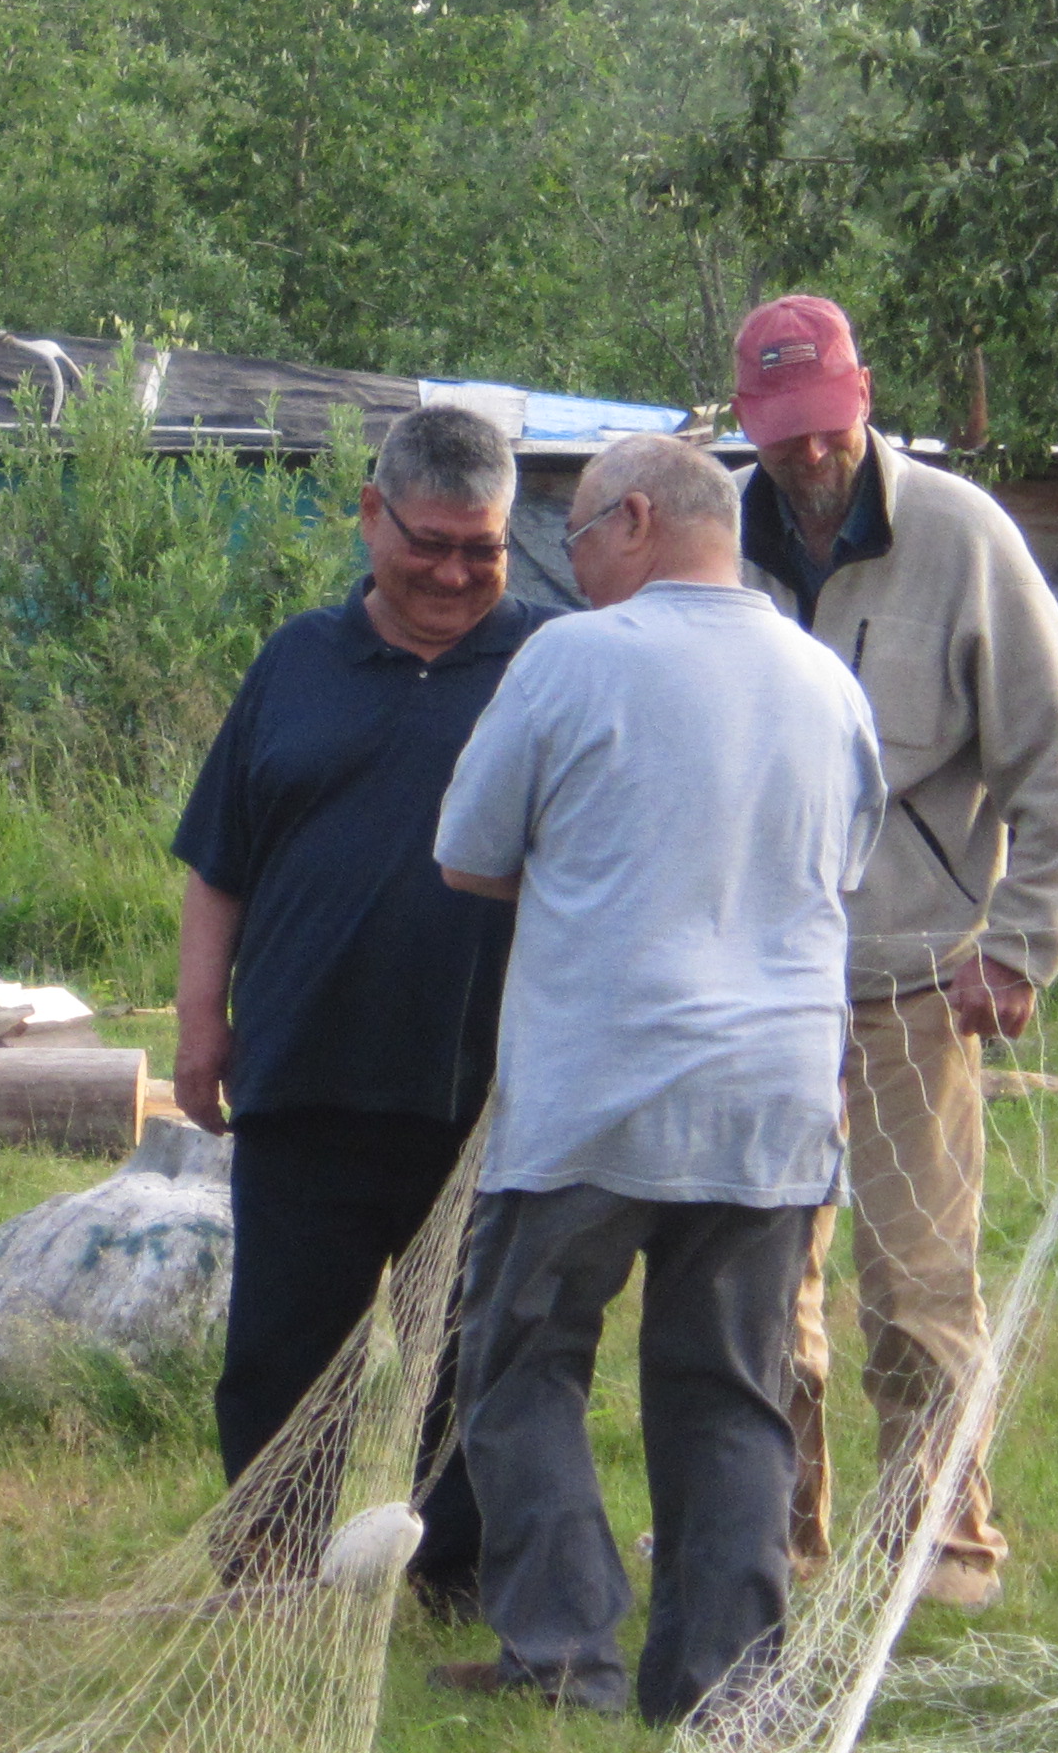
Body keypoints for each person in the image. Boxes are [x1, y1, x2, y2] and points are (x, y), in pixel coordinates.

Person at [426, 433, 886, 1723]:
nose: (568, 572)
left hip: (594, 1094)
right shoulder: (823, 678)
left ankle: (565, 1654)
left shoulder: (570, 657)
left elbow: (466, 853)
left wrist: (590, 865)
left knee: (518, 1369)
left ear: (635, 520)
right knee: (732, 1393)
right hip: (773, 1104)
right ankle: (724, 1685)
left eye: (572, 541)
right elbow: (839, 870)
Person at [730, 294, 1058, 1609]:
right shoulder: (714, 538)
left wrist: (1017, 946)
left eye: (827, 427)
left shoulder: (961, 537)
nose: (809, 458)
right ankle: (776, 1535)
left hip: (917, 974)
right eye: (782, 436)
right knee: (764, 1279)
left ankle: (940, 1547)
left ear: (866, 397)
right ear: (746, 426)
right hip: (762, 980)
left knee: (917, 1284)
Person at [170, 404, 562, 1611]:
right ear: (370, 513)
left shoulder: (556, 662)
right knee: (286, 1352)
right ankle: (271, 1567)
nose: (453, 571)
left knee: (478, 1356)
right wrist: (200, 1018)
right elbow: (218, 857)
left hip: (493, 1087)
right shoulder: (295, 659)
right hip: (304, 1068)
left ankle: (463, 1573)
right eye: (429, 540)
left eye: (482, 548)